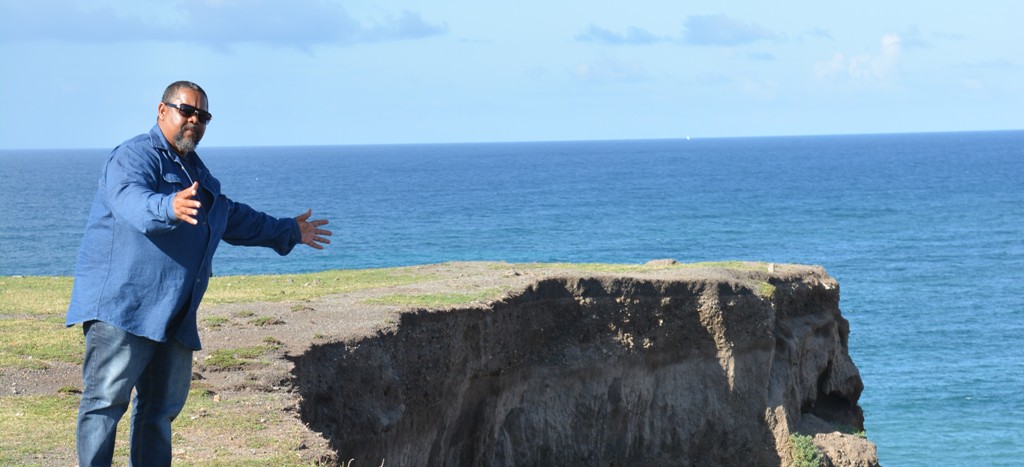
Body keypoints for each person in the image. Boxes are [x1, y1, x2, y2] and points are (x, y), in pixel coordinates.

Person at [65, 80, 332, 466]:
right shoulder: (134, 156)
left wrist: (288, 230)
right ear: (162, 112)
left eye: (202, 115)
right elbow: (131, 201)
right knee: (105, 404)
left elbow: (228, 216)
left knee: (159, 412)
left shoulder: (196, 171)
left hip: (173, 316)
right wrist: (168, 206)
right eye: (185, 110)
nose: (194, 120)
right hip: (123, 311)